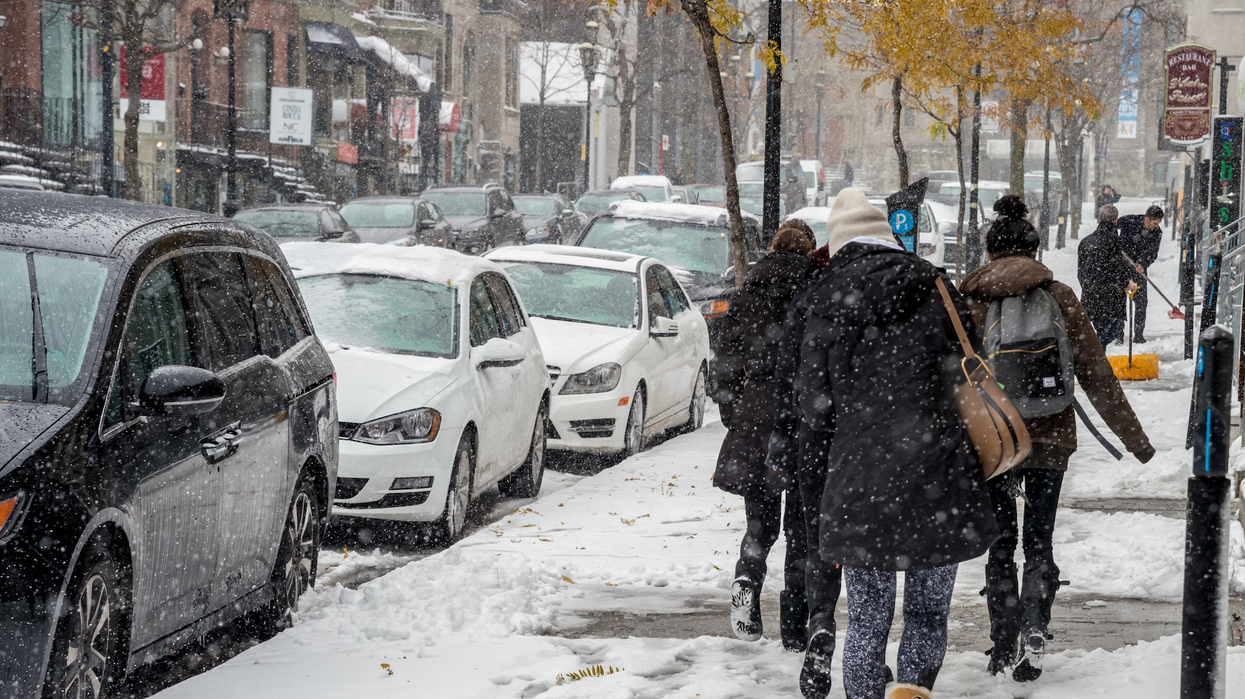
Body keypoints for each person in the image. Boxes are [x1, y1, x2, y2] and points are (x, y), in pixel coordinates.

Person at [794, 188, 999, 699]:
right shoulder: (936, 287)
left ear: (839, 243)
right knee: (928, 614)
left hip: (862, 480)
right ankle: (913, 692)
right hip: (938, 473)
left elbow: (814, 408)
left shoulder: (823, 300)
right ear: (889, 236)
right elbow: (965, 372)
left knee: (866, 619)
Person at [960, 195, 1155, 682]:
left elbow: (952, 377)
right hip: (1052, 436)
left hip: (995, 439)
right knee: (1039, 542)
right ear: (1035, 249)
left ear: (989, 252)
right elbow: (1095, 373)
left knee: (1001, 544)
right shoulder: (1060, 295)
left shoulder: (971, 300)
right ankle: (1034, 629)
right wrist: (1136, 441)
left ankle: (1002, 642)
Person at [713, 223, 816, 650]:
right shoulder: (815, 294)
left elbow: (726, 361)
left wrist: (735, 412)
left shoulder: (746, 295)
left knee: (760, 523)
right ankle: (794, 629)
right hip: (806, 417)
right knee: (800, 531)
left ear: (771, 248)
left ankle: (746, 579)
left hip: (757, 416)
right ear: (809, 251)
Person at [1078, 204, 1138, 347]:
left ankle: (1098, 364)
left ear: (1099, 219)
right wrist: (1126, 283)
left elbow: (1080, 272)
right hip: (1110, 297)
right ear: (1116, 221)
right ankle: (1096, 351)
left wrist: (1089, 286)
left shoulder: (1085, 242)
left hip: (1091, 296)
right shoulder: (1114, 240)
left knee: (1100, 329)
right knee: (1112, 331)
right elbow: (1117, 268)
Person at [1118, 205, 1164, 343]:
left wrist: (1143, 264)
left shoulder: (1157, 233)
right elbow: (1115, 224)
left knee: (1141, 302)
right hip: (1122, 268)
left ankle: (1138, 334)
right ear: (1147, 219)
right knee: (1120, 300)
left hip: (1139, 270)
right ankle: (1118, 334)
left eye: (1158, 223)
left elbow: (1153, 253)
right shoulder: (1129, 221)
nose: (1156, 225)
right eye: (1154, 222)